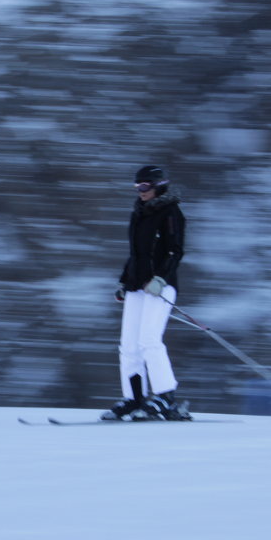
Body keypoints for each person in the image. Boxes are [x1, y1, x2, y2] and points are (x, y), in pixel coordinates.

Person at [102, 165, 191, 421]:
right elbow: (135, 253)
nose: (140, 191)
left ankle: (165, 397)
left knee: (149, 340)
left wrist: (161, 279)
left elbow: (176, 251)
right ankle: (134, 399)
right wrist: (123, 282)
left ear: (159, 185)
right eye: (137, 186)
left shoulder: (171, 212)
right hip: (135, 286)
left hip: (160, 287)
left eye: (145, 186)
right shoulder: (138, 212)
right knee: (129, 346)